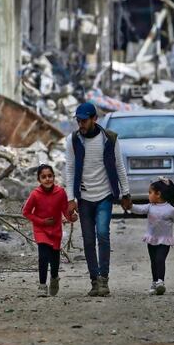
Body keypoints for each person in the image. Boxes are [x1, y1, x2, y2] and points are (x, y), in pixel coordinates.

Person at [64, 102, 132, 297]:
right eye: (78, 121)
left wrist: (125, 193)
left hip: (104, 195)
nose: (81, 125)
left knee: (102, 234)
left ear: (95, 119)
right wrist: (70, 199)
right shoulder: (73, 140)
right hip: (84, 197)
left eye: (84, 120)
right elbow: (69, 170)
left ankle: (104, 279)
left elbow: (119, 167)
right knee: (87, 240)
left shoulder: (109, 139)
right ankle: (94, 281)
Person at [22, 164, 75, 296]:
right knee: (43, 257)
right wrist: (42, 221)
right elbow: (26, 212)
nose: (47, 179)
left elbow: (64, 210)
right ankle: (42, 285)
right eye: (43, 177)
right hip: (41, 230)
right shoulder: (35, 194)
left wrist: (71, 217)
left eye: (50, 176)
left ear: (54, 177)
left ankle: (54, 278)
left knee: (55, 259)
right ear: (39, 180)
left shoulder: (60, 192)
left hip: (56, 231)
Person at [130, 179, 174, 296]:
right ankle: (154, 282)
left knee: (160, 260)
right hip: (151, 239)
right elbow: (139, 209)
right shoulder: (150, 207)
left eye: (150, 192)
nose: (148, 195)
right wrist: (130, 206)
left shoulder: (171, 209)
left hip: (164, 240)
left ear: (158, 194)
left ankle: (160, 282)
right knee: (153, 261)